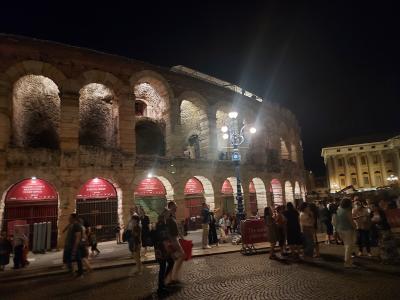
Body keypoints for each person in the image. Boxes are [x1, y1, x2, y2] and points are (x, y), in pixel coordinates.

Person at [152, 213, 175, 295]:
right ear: (163, 218)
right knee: (163, 266)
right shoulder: (161, 226)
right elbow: (163, 237)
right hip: (162, 250)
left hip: (161, 249)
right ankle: (161, 287)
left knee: (170, 263)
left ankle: (162, 283)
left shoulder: (158, 225)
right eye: (166, 217)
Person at [165, 201, 185, 284]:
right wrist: (170, 241)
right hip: (172, 240)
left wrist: (181, 236)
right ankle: (174, 276)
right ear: (171, 206)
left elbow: (175, 228)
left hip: (174, 238)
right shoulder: (168, 217)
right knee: (182, 255)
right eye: (175, 206)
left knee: (172, 259)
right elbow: (168, 230)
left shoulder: (173, 216)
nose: (177, 207)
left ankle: (170, 278)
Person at [336, 198, 356, 268]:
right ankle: (347, 262)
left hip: (340, 229)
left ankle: (349, 260)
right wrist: (355, 226)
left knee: (346, 245)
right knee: (349, 246)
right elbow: (351, 221)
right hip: (347, 229)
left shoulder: (339, 210)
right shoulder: (347, 211)